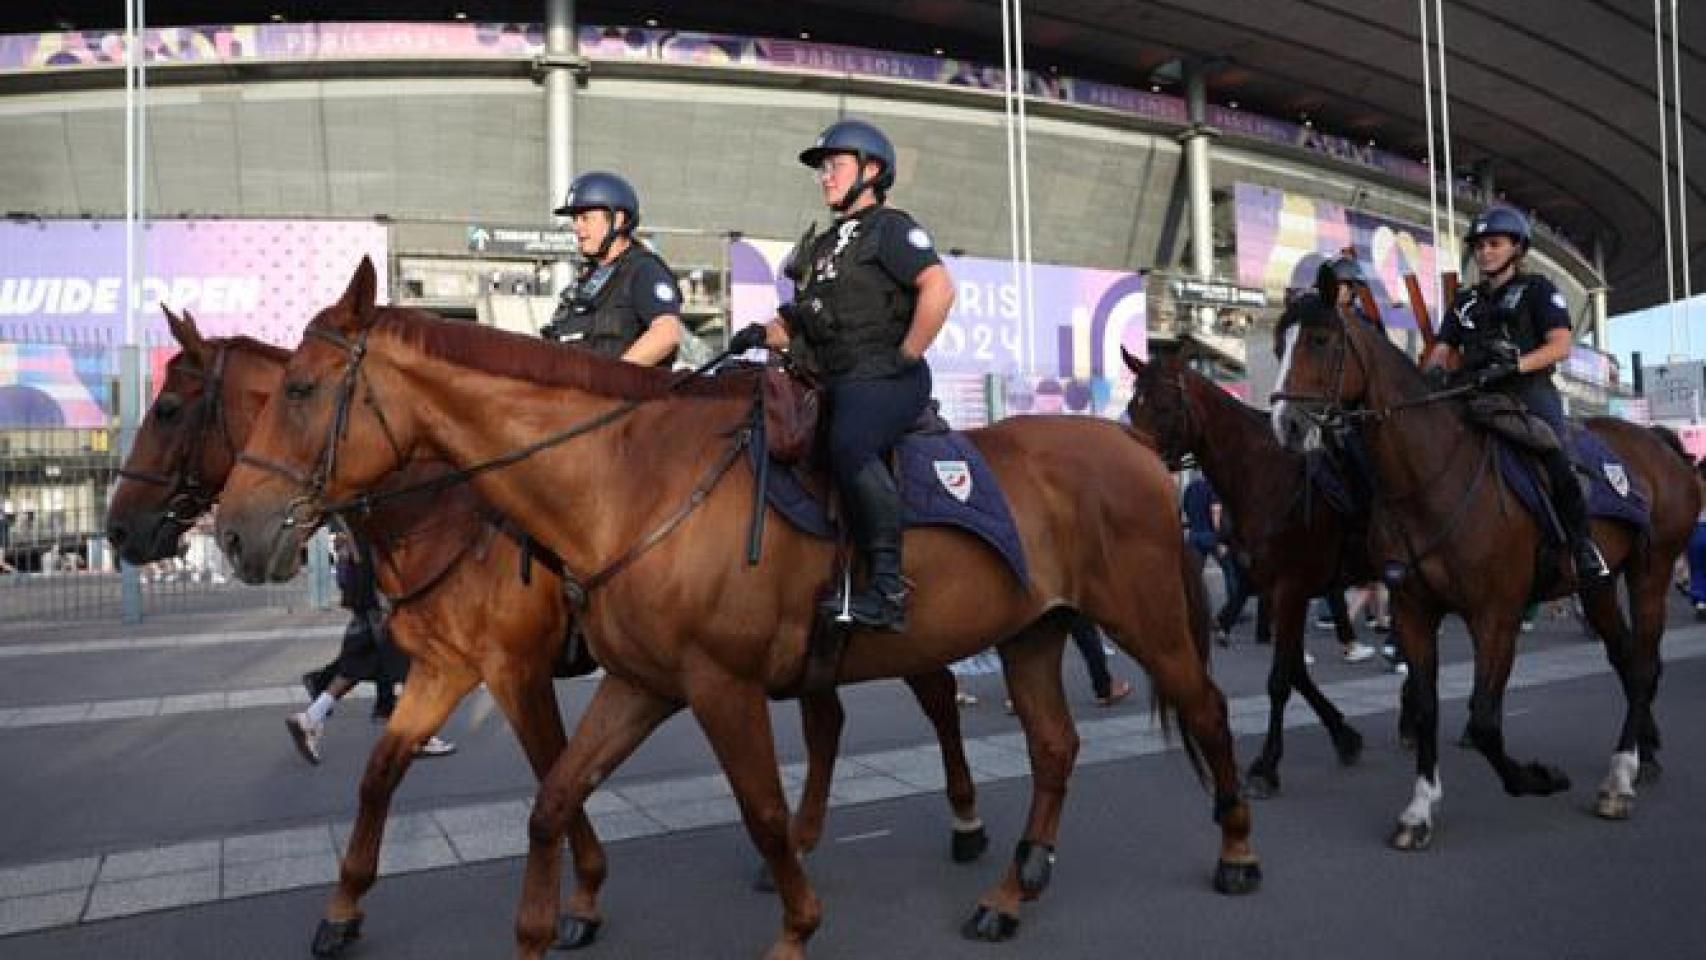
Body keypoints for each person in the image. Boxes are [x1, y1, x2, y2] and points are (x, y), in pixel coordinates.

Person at [727, 118, 955, 630]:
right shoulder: (827, 245)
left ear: (871, 170)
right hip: (839, 375)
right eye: (822, 168)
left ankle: (889, 589)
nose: (824, 176)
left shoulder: (892, 228)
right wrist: (759, 334)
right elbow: (801, 321)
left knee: (849, 443)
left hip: (886, 377)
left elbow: (938, 288)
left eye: (834, 165)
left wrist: (908, 354)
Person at [1421, 206, 1610, 584]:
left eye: (1494, 244)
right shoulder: (1464, 301)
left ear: (1516, 249)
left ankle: (1583, 548)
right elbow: (1441, 349)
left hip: (1528, 395)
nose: (1485, 252)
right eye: (1480, 246)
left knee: (1557, 461)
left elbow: (1560, 346)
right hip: (1471, 396)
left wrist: (1515, 366)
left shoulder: (1538, 290)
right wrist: (1434, 372)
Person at [288, 531, 456, 765]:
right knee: (414, 664)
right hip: (383, 596)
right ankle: (418, 736)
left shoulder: (356, 512)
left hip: (368, 591)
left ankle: (310, 718)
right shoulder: (370, 507)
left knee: (357, 666)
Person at [539, 171, 683, 367]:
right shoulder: (587, 280)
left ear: (618, 220)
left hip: (625, 395)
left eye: (585, 218)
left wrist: (613, 378)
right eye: (575, 219)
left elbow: (666, 334)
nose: (577, 227)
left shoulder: (644, 270)